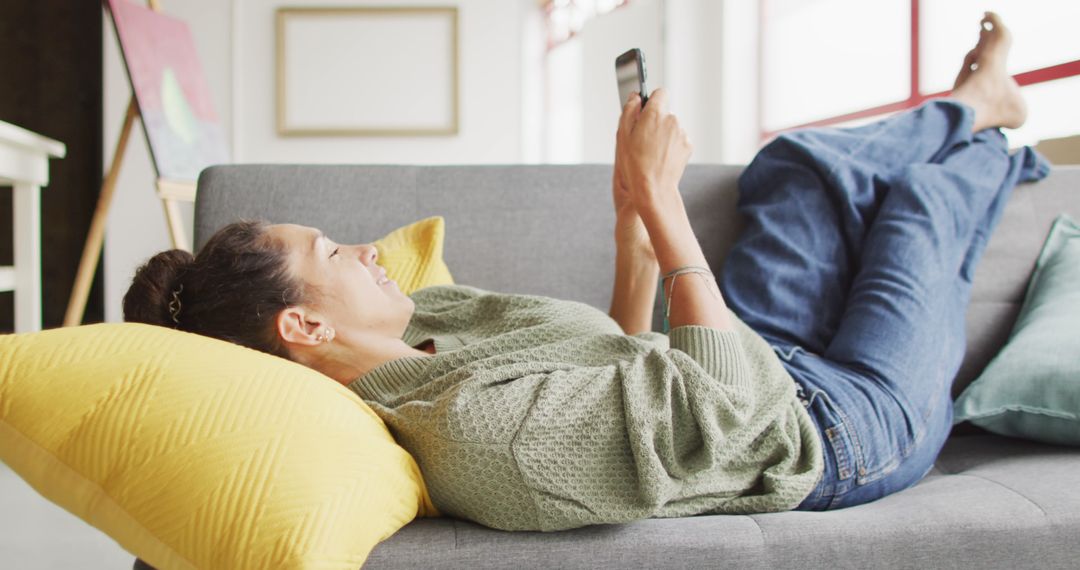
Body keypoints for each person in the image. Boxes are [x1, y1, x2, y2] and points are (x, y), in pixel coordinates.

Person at [124, 13, 1047, 529]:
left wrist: (630, 238)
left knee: (793, 165)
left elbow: (624, 363)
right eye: (333, 254)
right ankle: (989, 121)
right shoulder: (483, 441)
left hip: (749, 347)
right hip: (825, 427)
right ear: (305, 327)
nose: (364, 248)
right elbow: (726, 413)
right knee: (920, 205)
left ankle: (971, 98)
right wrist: (661, 201)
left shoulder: (426, 318)